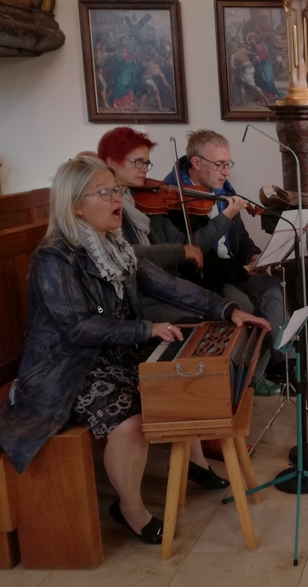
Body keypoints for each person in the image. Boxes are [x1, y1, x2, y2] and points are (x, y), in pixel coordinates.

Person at [0, 156, 271, 545]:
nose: (117, 199)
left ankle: (194, 462)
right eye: (105, 192)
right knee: (130, 422)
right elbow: (77, 327)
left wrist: (228, 310)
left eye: (117, 190)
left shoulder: (113, 244)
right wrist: (146, 328)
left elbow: (166, 285)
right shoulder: (54, 257)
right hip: (65, 369)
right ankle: (130, 509)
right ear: (76, 205)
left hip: (112, 352)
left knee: (182, 373)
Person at [162, 130, 286, 395]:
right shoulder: (173, 199)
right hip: (204, 277)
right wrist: (226, 216)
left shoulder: (224, 192)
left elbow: (241, 238)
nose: (226, 172)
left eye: (228, 164)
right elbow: (191, 251)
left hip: (232, 270)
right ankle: (250, 377)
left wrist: (253, 256)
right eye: (220, 165)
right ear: (196, 162)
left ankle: (284, 364)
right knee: (247, 307)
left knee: (273, 287)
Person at [97, 127, 206, 323]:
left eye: (147, 163)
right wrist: (179, 252)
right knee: (197, 320)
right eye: (138, 162)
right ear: (111, 162)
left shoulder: (136, 200)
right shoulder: (106, 207)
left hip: (157, 284)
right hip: (135, 298)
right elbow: (127, 252)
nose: (145, 169)